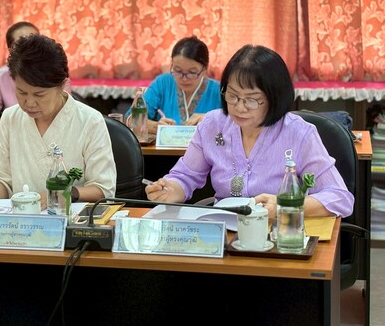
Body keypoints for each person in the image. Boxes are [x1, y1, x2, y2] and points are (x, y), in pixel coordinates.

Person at [145, 44, 354, 221]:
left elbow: (339, 197)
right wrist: (169, 190)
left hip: (277, 234)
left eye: (252, 99)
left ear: (275, 98)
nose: (239, 107)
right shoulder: (212, 125)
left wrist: (285, 206)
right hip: (224, 233)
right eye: (233, 96)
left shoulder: (299, 133)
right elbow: (185, 176)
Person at [0, 33, 116, 206]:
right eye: (21, 92)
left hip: (70, 217)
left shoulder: (90, 121)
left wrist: (68, 194)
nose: (29, 102)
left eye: (39, 94)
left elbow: (104, 189)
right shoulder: (10, 118)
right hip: (22, 218)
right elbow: (1, 180)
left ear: (62, 85)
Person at [126, 35, 221, 135]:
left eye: (192, 72)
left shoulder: (218, 91)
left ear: (205, 69)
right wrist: (155, 127)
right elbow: (130, 119)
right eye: (178, 71)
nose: (184, 78)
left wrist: (212, 119)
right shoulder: (163, 83)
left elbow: (231, 124)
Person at [0, 21, 40, 126]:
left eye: (34, 43)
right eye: (22, 44)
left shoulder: (57, 77)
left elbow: (63, 114)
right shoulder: (3, 80)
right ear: (11, 51)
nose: (30, 49)